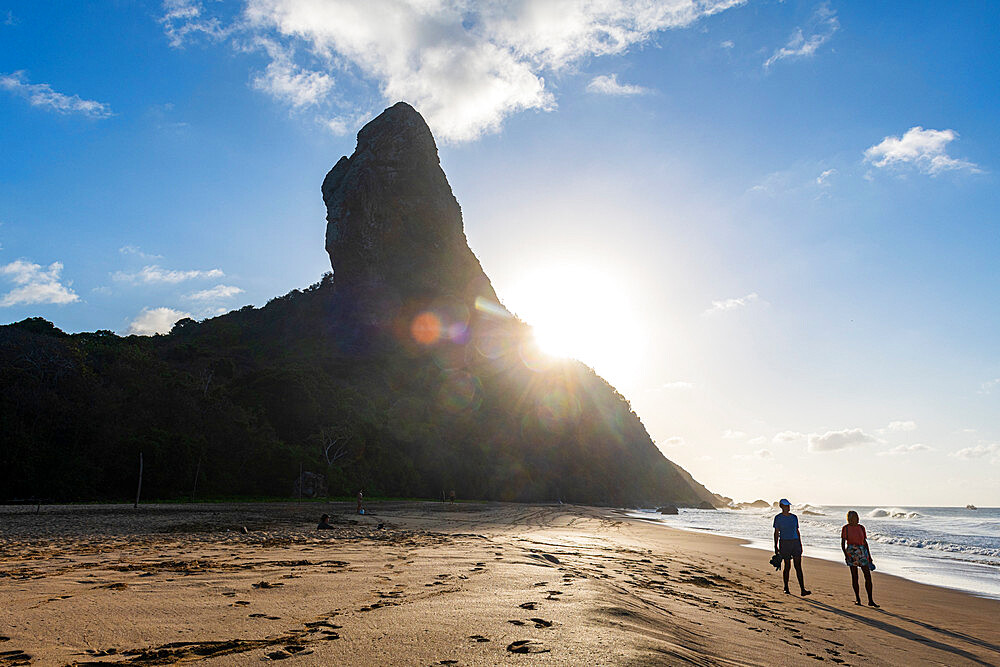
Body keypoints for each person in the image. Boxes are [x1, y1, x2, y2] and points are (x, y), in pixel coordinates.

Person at [773, 499, 811, 596]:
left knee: (798, 566)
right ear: (781, 506)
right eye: (786, 506)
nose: (788, 507)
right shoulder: (778, 518)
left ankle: (802, 589)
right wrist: (775, 546)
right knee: (787, 566)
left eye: (789, 506)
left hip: (795, 543)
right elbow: (776, 532)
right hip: (784, 543)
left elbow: (797, 531)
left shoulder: (794, 517)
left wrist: (800, 543)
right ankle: (786, 587)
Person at [841, 510, 878, 607]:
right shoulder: (846, 528)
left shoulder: (861, 527)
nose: (857, 519)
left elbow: (865, 543)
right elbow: (842, 544)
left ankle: (870, 600)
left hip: (862, 552)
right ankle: (858, 599)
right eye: (854, 518)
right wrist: (846, 555)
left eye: (857, 517)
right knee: (855, 577)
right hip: (851, 552)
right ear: (849, 519)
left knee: (868, 576)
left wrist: (869, 557)